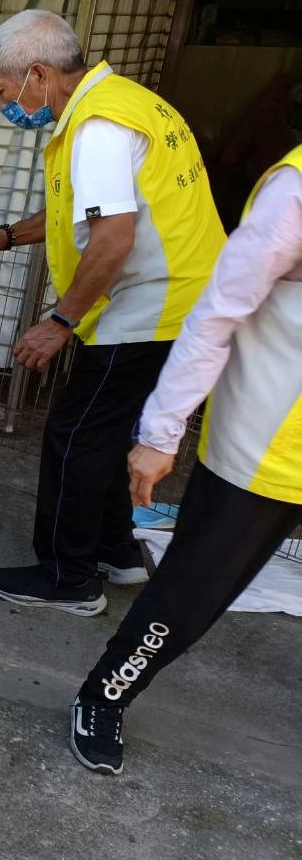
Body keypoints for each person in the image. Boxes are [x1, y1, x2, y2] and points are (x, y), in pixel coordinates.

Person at [0, 9, 225, 616]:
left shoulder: (98, 128)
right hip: (184, 297)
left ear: (37, 74)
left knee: (75, 435)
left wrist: (58, 322)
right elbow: (79, 216)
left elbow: (112, 238)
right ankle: (117, 552)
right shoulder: (125, 100)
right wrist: (5, 236)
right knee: (102, 431)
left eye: (2, 92)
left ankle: (68, 578)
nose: (3, 104)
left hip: (153, 306)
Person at [70, 146, 302, 775]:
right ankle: (104, 695)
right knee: (191, 593)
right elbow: (217, 314)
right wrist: (160, 434)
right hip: (267, 447)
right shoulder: (296, 188)